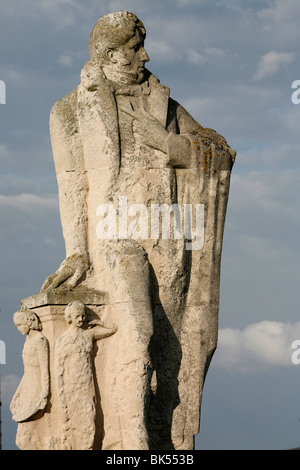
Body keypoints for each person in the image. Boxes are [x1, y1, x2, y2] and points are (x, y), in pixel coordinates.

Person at [41, 11, 235, 449]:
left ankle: (165, 439)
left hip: (168, 231)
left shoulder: (166, 104)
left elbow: (219, 153)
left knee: (171, 342)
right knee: (136, 331)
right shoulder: (69, 110)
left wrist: (169, 145)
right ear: (110, 54)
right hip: (113, 231)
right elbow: (72, 185)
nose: (145, 55)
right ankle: (131, 444)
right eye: (134, 48)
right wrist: (77, 252)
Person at [54, 300, 117, 450]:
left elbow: (113, 328)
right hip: (71, 384)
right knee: (72, 420)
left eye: (83, 316)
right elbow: (59, 368)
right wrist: (62, 393)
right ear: (69, 317)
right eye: (77, 316)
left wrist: (96, 321)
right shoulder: (63, 339)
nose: (81, 319)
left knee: (89, 415)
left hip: (87, 381)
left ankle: (87, 446)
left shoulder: (89, 334)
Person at [10, 309, 49, 449]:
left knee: (28, 431)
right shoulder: (28, 340)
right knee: (22, 435)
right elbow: (27, 371)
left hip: (36, 386)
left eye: (20, 324)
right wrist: (17, 393)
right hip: (27, 385)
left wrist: (44, 392)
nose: (19, 328)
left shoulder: (40, 340)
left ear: (28, 322)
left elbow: (45, 368)